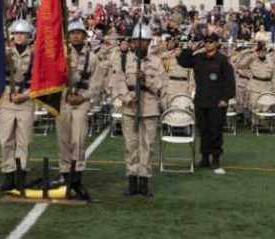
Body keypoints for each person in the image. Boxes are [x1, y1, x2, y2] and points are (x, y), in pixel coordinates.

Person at [112, 24, 166, 197]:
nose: (140, 44)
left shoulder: (156, 62)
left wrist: (146, 80)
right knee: (130, 145)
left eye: (144, 41)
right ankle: (132, 180)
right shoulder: (124, 60)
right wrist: (128, 98)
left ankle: (144, 181)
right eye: (137, 41)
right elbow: (118, 83)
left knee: (147, 146)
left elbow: (161, 85)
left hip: (149, 107)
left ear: (149, 42)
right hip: (130, 107)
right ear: (133, 42)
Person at [177, 33, 235, 169]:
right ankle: (204, 157)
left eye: (210, 42)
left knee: (215, 130)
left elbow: (230, 81)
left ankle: (215, 157)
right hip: (202, 100)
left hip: (217, 101)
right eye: (206, 41)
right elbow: (183, 62)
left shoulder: (222, 60)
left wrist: (225, 99)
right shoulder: (199, 57)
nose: (207, 44)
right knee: (203, 130)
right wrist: (190, 49)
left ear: (216, 43)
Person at [59, 20, 99, 199]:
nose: (75, 35)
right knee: (64, 141)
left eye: (78, 32)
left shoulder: (92, 57)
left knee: (79, 140)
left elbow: (97, 82)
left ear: (84, 35)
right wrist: (65, 95)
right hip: (63, 102)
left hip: (81, 102)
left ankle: (77, 179)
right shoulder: (61, 54)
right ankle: (66, 177)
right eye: (72, 32)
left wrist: (84, 97)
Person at [0, 19, 35, 192]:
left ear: (29, 36)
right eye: (16, 33)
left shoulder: (35, 55)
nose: (19, 36)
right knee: (5, 139)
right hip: (7, 100)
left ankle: (21, 175)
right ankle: (8, 174)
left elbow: (38, 81)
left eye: (22, 34)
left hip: (26, 101)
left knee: (23, 141)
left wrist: (24, 95)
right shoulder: (5, 53)